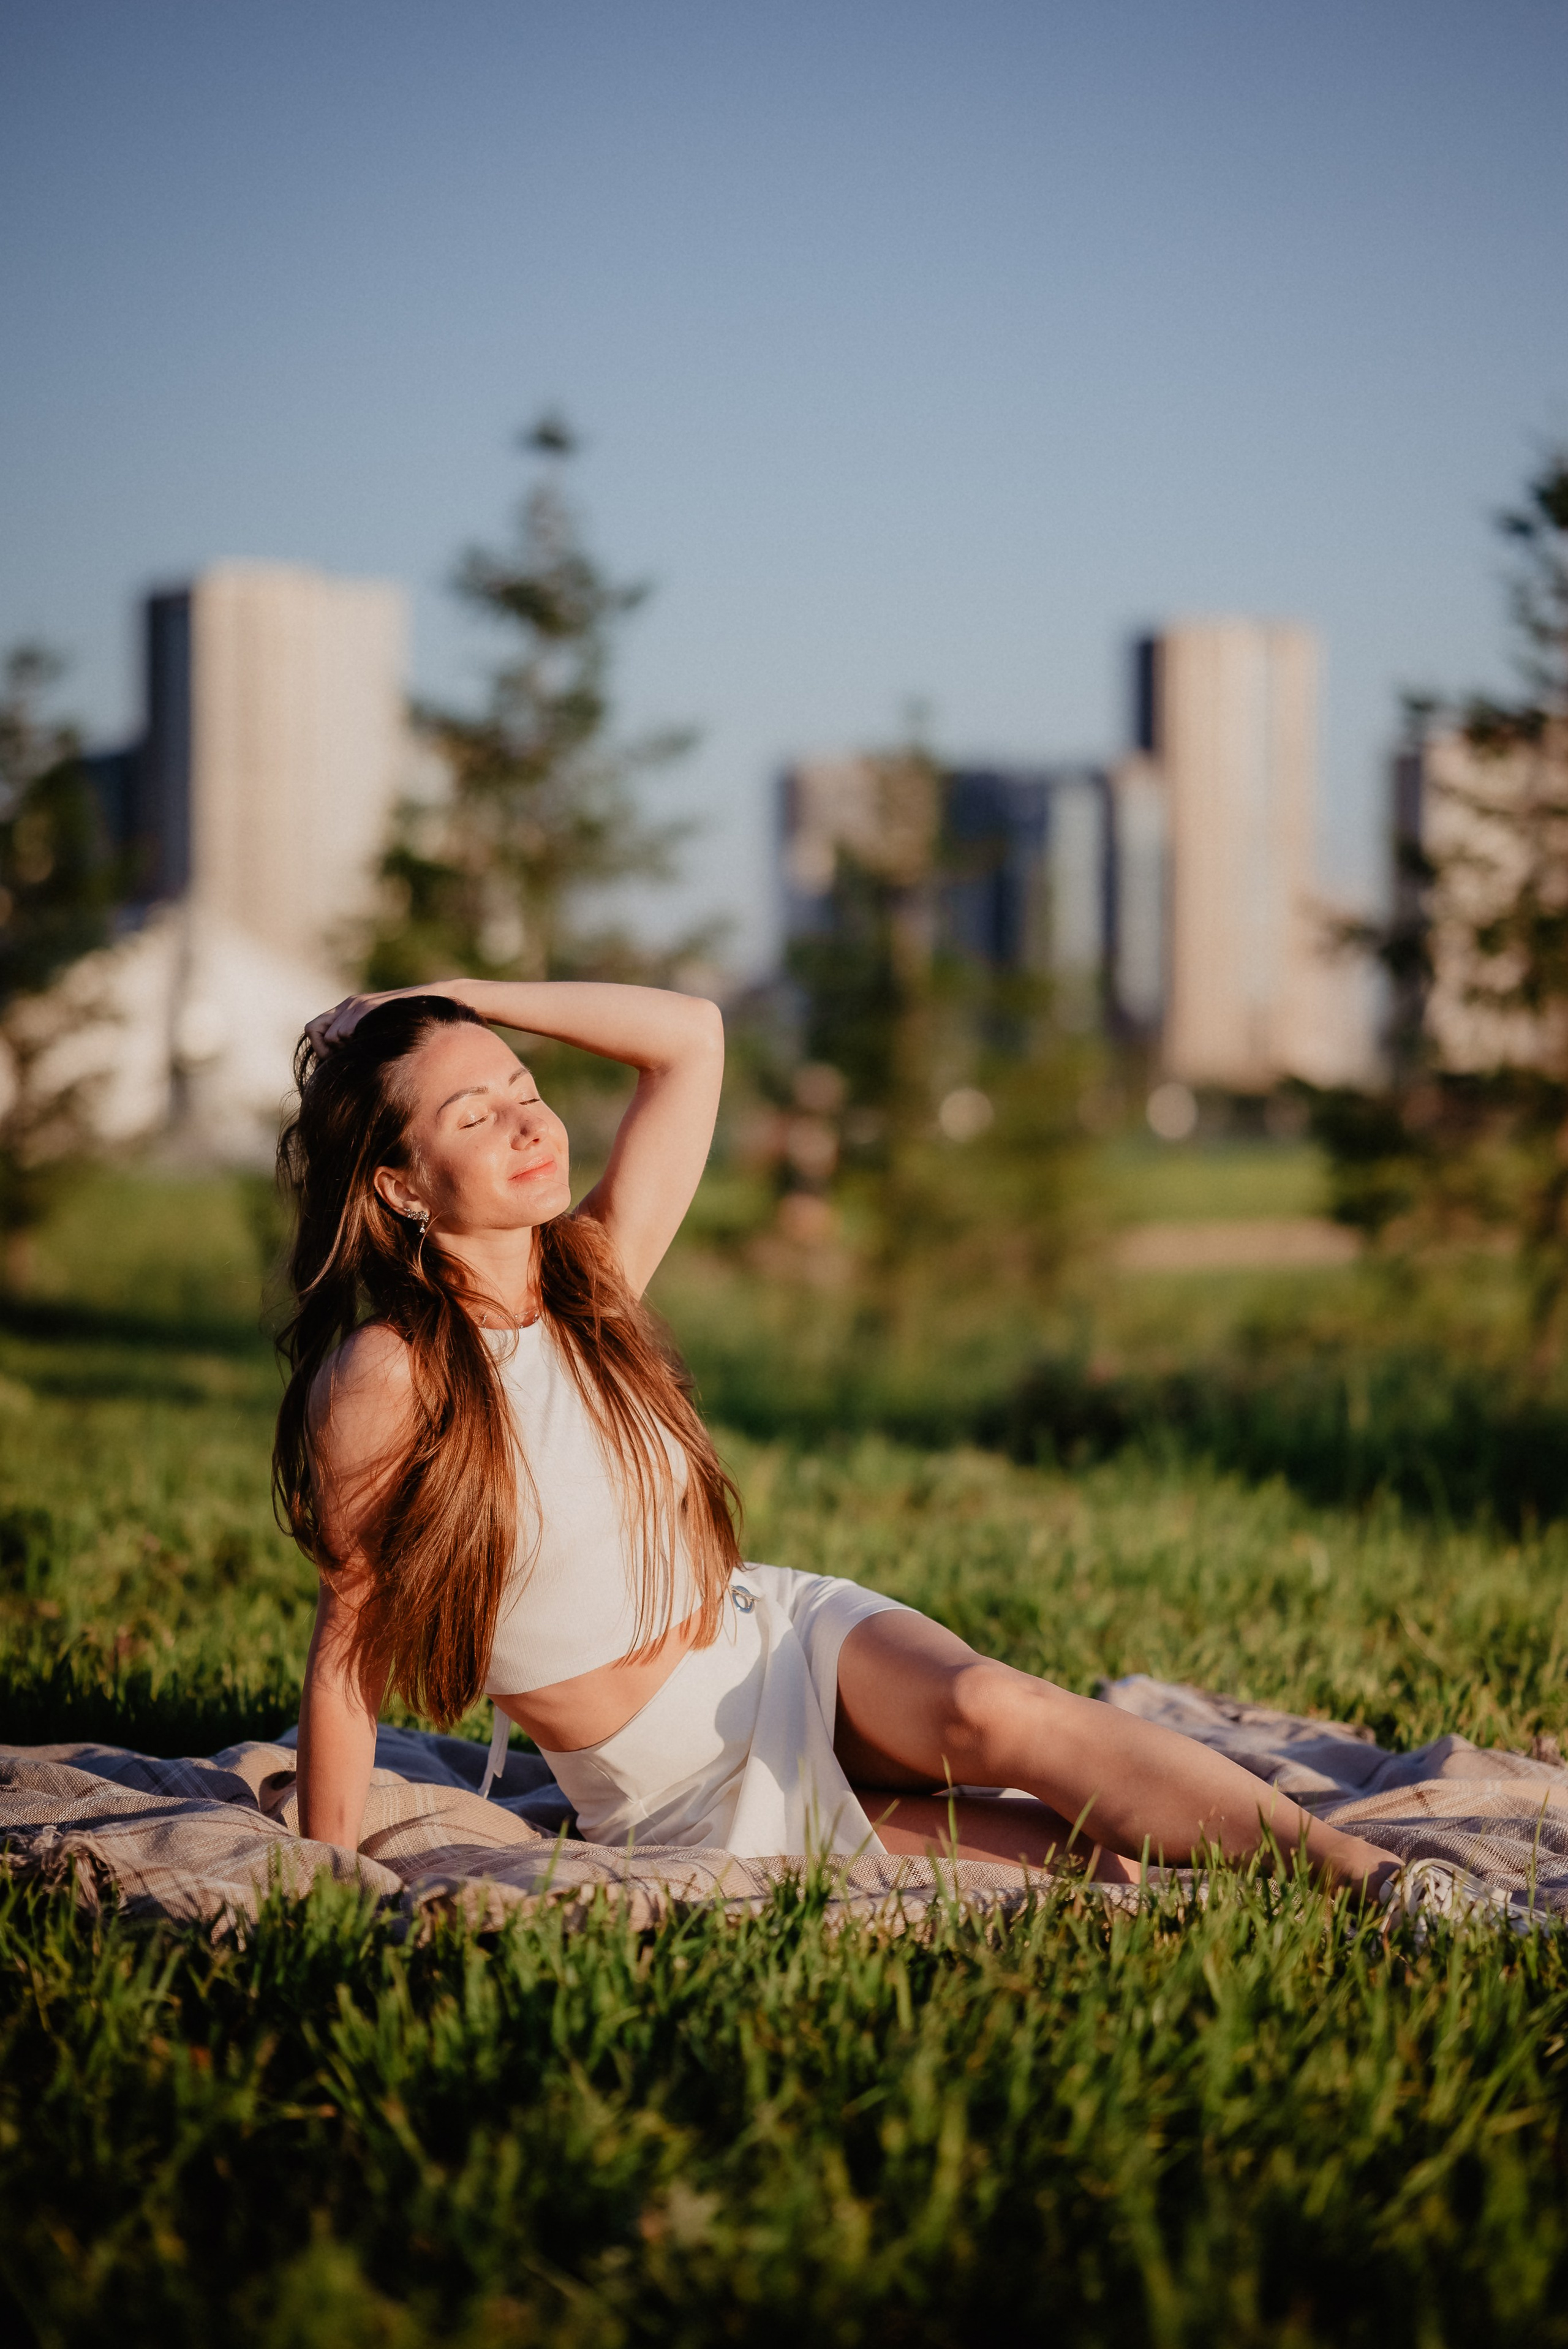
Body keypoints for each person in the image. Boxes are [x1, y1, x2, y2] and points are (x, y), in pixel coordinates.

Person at [278, 978, 1400, 1895]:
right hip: (678, 1793)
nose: (529, 1124)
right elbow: (349, 1642)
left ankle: (1366, 1873)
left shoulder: (593, 1286)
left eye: (525, 1090)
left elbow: (691, 1037)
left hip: (776, 1642)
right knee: (1083, 1865)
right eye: (473, 1117)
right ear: (401, 1186)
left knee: (996, 1707)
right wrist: (331, 1870)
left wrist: (456, 997)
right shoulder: (391, 1375)